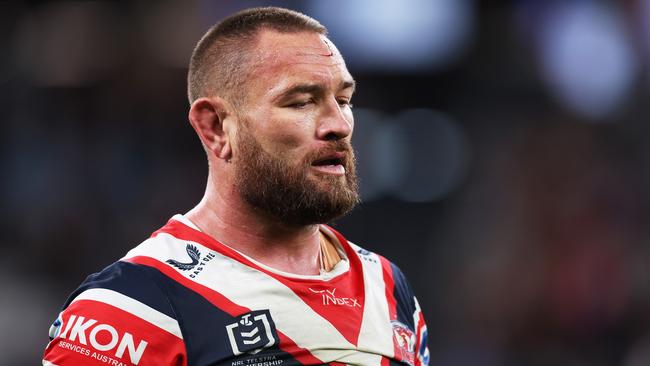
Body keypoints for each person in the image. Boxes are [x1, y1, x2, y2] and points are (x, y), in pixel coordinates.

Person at [42, 7, 429, 366]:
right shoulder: (131, 308)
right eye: (300, 102)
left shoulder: (388, 287)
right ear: (215, 127)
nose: (339, 125)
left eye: (343, 100)